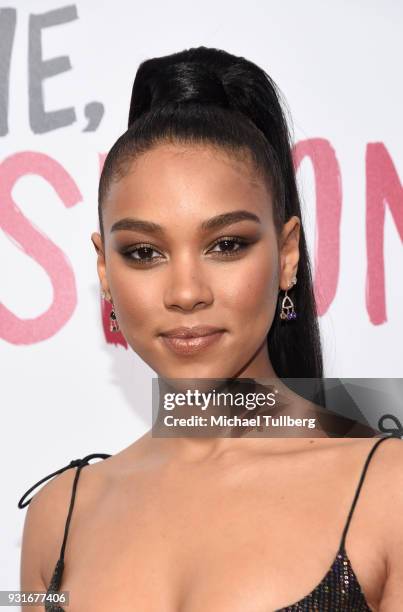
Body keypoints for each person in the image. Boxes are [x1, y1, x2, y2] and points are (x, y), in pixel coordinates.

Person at [18, 46, 403, 611]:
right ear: (105, 270)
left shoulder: (387, 490)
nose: (186, 292)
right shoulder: (59, 516)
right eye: (145, 252)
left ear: (288, 253)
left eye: (226, 245)